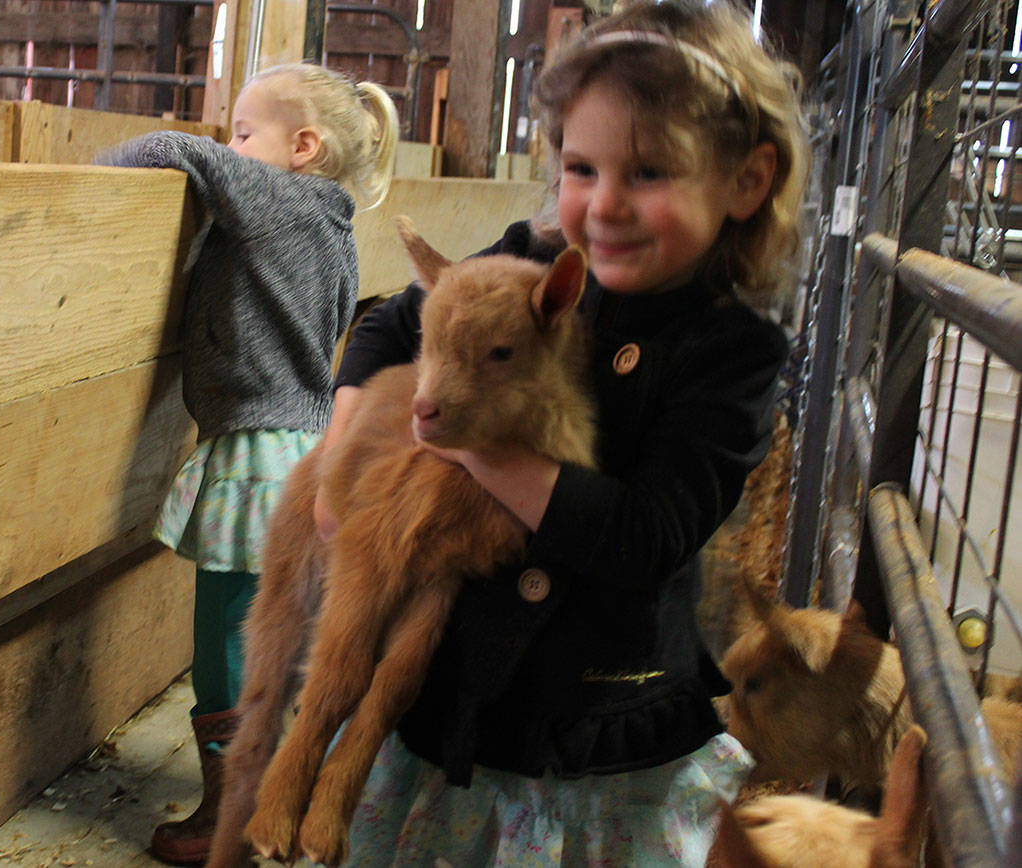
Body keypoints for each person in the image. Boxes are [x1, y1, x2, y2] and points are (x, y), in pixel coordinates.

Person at [317, 1, 808, 864]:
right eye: (582, 167)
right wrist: (347, 423)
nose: (605, 204)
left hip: (601, 738)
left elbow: (642, 537)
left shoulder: (732, 354)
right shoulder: (531, 259)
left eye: (649, 173)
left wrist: (461, 436)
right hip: (451, 713)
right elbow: (400, 322)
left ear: (746, 179)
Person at [95, 63, 398, 865]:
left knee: (227, 635)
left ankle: (228, 816)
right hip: (297, 448)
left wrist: (79, 189)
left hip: (256, 448)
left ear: (304, 147)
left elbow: (171, 148)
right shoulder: (331, 222)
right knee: (272, 635)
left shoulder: (279, 200)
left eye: (241, 132)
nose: (228, 145)